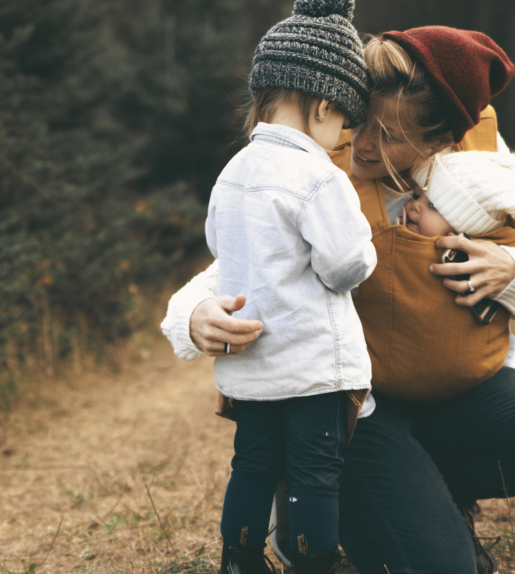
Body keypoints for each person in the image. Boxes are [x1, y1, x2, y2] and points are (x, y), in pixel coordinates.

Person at [162, 27, 515, 574]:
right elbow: (238, 259)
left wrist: (511, 269)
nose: (365, 144)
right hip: (358, 407)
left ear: (441, 139)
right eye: (361, 121)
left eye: (391, 135)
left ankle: (421, 491)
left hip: (460, 391)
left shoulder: (477, 172)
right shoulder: (318, 166)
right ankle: (311, 484)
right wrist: (191, 315)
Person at [206, 2, 376, 573]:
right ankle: (314, 562)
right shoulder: (318, 175)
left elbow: (220, 245)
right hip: (310, 366)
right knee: (313, 473)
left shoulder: (232, 172)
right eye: (343, 124)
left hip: (252, 364)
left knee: (252, 462)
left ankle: (239, 559)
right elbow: (345, 264)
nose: (342, 138)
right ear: (325, 105)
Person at [356, 150, 515, 403]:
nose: (413, 205)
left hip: (482, 379)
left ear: (462, 231)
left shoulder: (486, 156)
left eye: (432, 205)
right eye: (416, 195)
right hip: (384, 385)